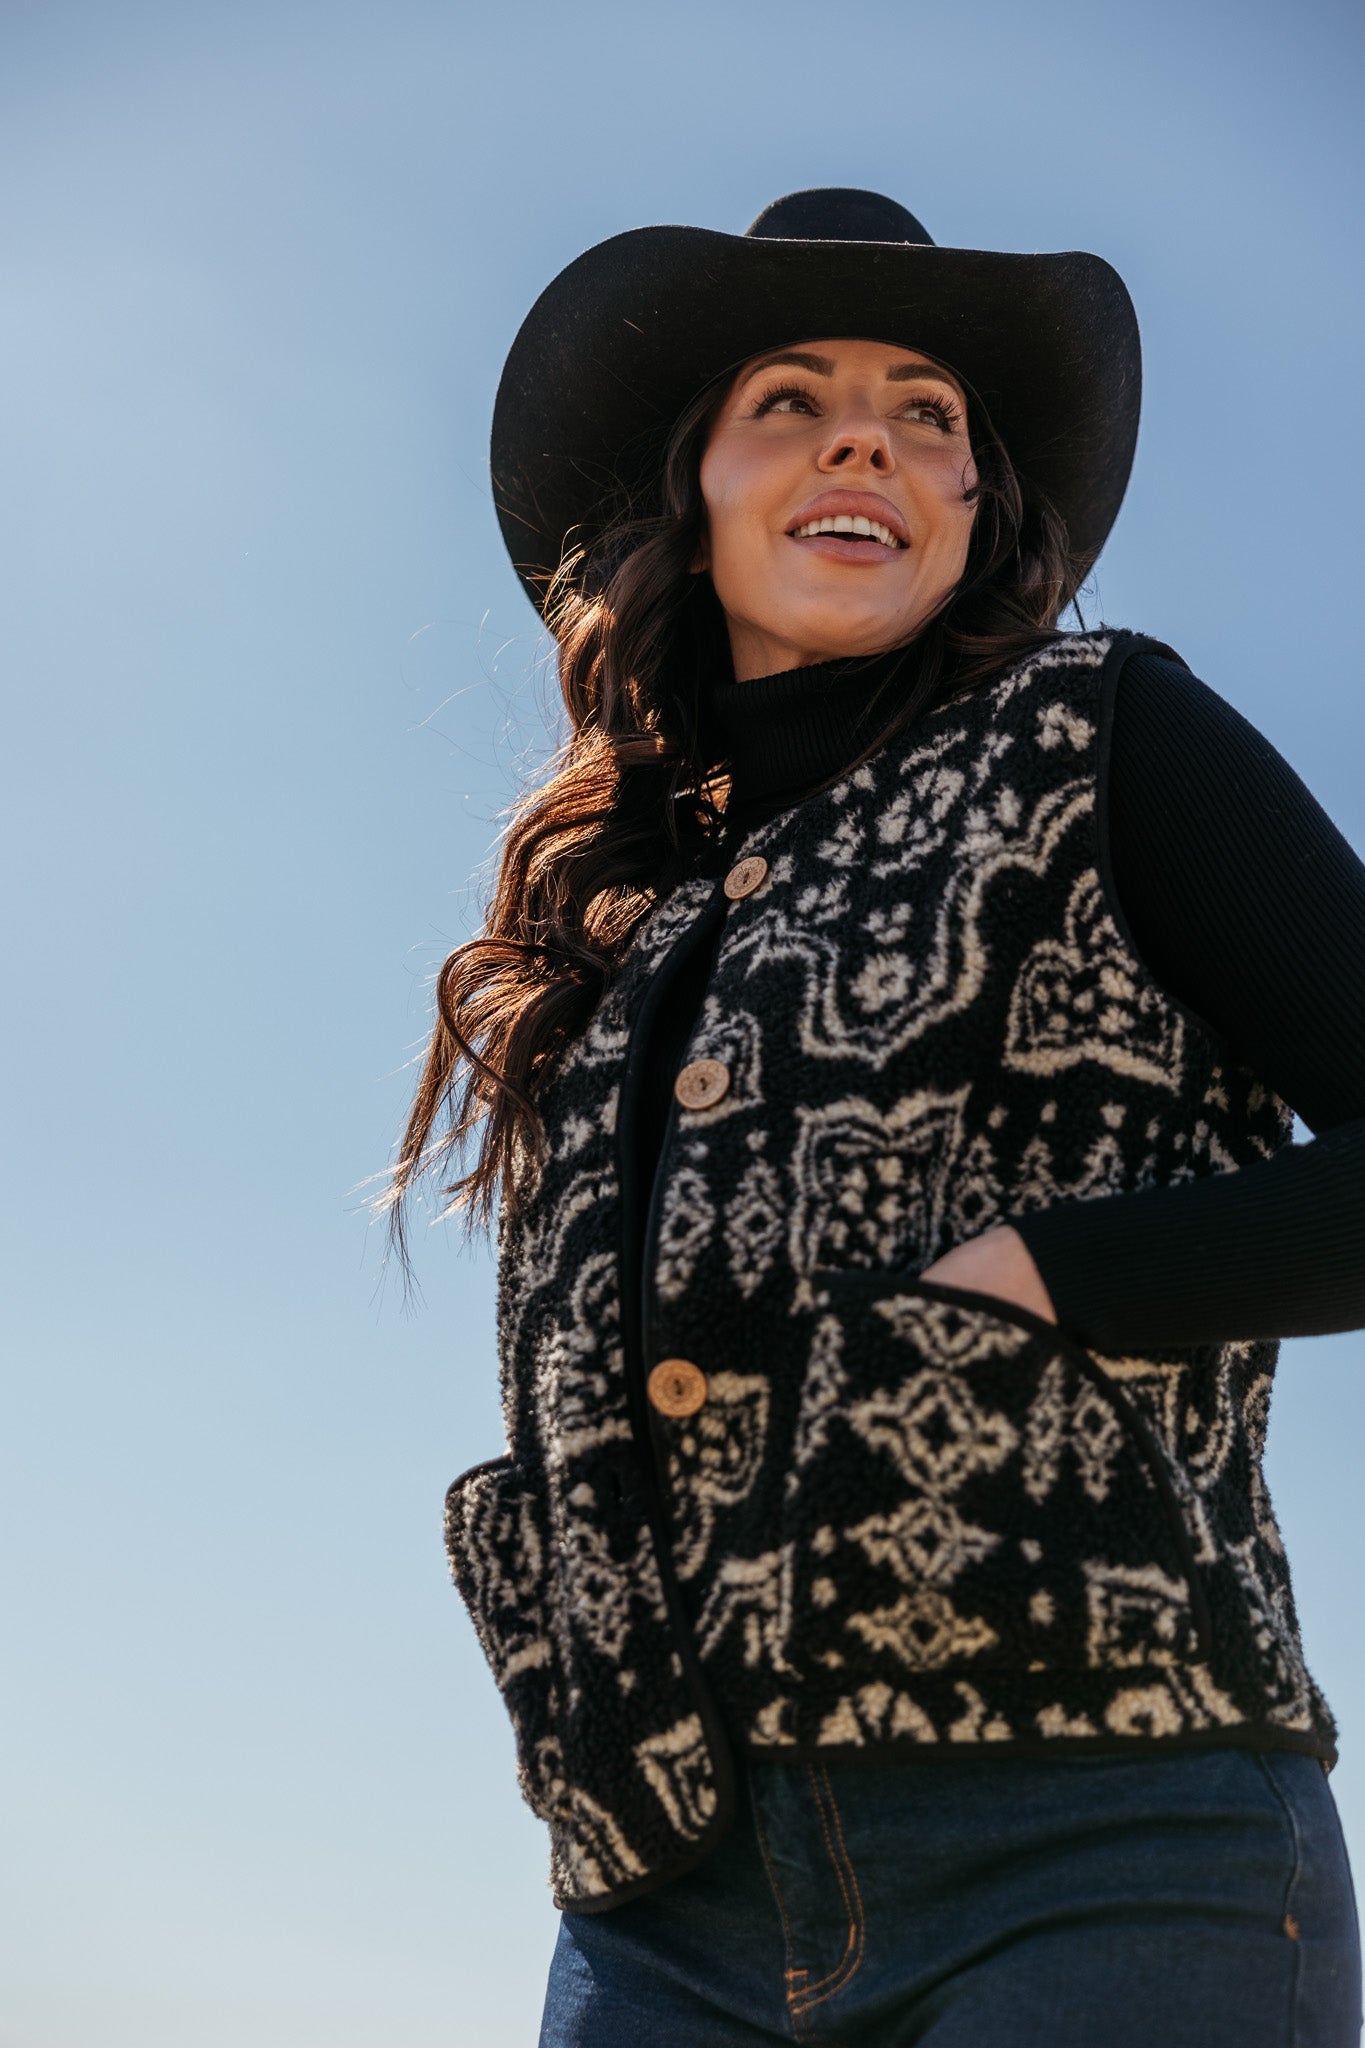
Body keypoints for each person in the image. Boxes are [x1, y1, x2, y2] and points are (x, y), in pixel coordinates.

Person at [386, 189, 1365, 2044]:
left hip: (1103, 1832)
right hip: (661, 1905)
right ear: (692, 497)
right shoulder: (623, 926)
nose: (869, 437)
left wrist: (1040, 1278)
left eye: (929, 414)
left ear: (976, 507)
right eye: (793, 400)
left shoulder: (1099, 733)